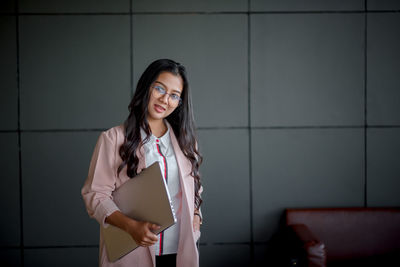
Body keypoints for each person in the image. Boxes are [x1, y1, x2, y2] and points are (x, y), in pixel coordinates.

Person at [81, 59, 203, 267]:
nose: (165, 99)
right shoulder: (113, 138)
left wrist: (196, 218)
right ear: (146, 87)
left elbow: (195, 189)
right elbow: (96, 195)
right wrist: (131, 227)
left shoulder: (186, 142)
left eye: (174, 95)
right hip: (132, 251)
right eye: (159, 89)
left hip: (178, 251)